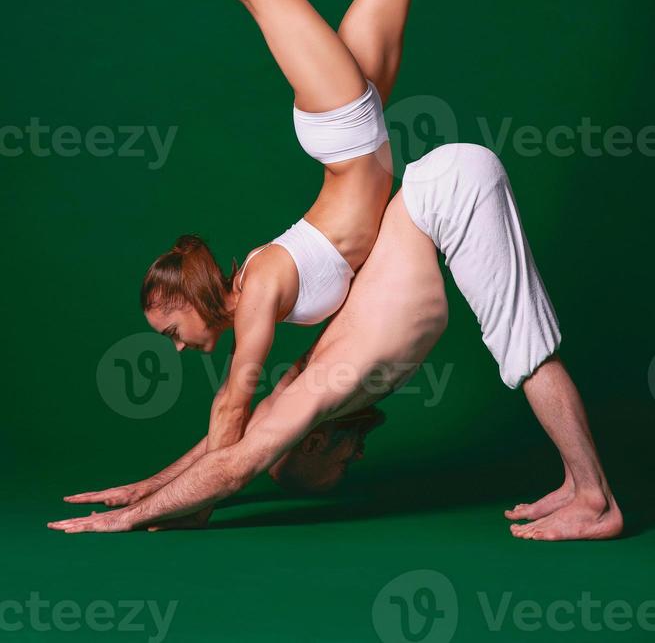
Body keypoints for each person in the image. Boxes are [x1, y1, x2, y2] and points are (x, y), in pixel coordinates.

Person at [94, 0, 477, 455]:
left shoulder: (264, 282)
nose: (180, 348)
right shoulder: (265, 289)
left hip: (343, 130)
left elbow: (238, 393)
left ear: (193, 303)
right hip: (358, 129)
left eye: (172, 332)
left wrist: (188, 494)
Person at [51, 144, 623, 541]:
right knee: (520, 348)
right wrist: (146, 488)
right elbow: (235, 439)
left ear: (310, 443)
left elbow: (234, 464)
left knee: (524, 352)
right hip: (437, 191)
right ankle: (577, 484)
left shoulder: (313, 391)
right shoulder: (303, 383)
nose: (354, 461)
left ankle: (595, 502)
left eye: (298, 465)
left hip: (449, 190)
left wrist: (126, 519)